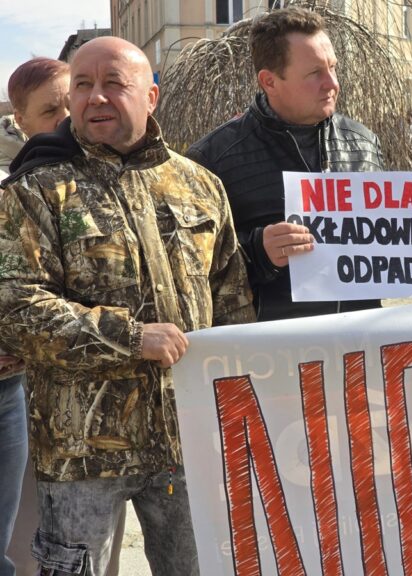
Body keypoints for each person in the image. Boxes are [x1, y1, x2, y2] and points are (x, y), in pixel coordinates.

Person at [0, 37, 254, 576]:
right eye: (83, 86)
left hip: (187, 442)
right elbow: (16, 308)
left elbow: (234, 306)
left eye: (113, 83)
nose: (95, 98)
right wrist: (131, 337)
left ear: (151, 96)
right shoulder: (38, 191)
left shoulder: (199, 187)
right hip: (81, 453)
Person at [187, 6, 412, 321]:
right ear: (269, 82)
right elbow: (188, 274)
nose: (332, 83)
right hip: (270, 354)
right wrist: (256, 253)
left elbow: (383, 248)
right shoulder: (212, 158)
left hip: (357, 345)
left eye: (333, 67)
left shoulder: (364, 142)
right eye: (314, 73)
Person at [1, 56, 78, 576]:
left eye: (71, 103)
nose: (68, 118)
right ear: (20, 121)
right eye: (52, 110)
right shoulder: (15, 191)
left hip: (28, 384)